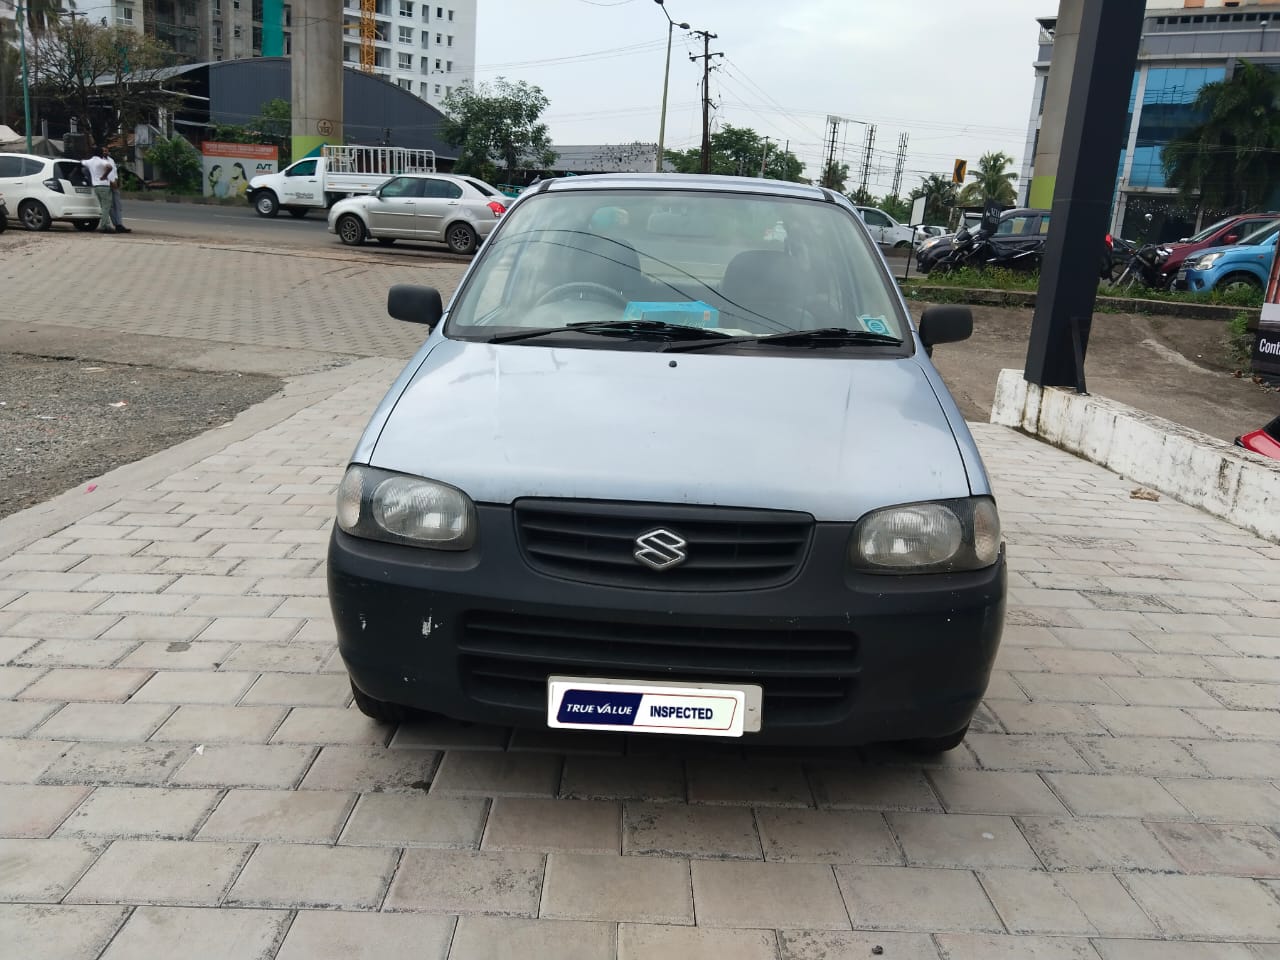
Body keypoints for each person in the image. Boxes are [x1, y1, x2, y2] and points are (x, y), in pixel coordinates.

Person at [81, 146, 115, 235]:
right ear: (100, 153)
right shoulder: (102, 161)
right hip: (104, 186)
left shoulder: (89, 162)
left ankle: (107, 225)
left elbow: (81, 162)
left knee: (103, 207)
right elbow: (110, 167)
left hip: (96, 186)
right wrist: (104, 175)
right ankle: (103, 226)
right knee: (106, 207)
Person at [104, 148, 131, 234]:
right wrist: (111, 182)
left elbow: (114, 172)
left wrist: (115, 181)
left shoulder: (111, 160)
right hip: (106, 185)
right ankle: (116, 224)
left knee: (118, 206)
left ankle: (120, 224)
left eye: (106, 150)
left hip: (115, 185)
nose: (105, 152)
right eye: (103, 151)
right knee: (111, 206)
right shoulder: (100, 161)